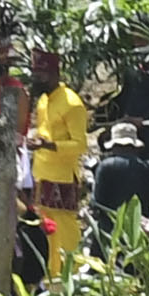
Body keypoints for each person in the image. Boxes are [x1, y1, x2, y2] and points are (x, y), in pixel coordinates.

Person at [24, 49, 92, 272]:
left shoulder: (72, 104)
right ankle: (50, 280)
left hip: (62, 178)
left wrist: (47, 145)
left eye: (40, 74)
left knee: (64, 234)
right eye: (34, 73)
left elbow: (80, 145)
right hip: (41, 174)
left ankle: (71, 279)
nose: (36, 79)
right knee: (45, 232)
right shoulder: (44, 101)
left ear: (54, 74)